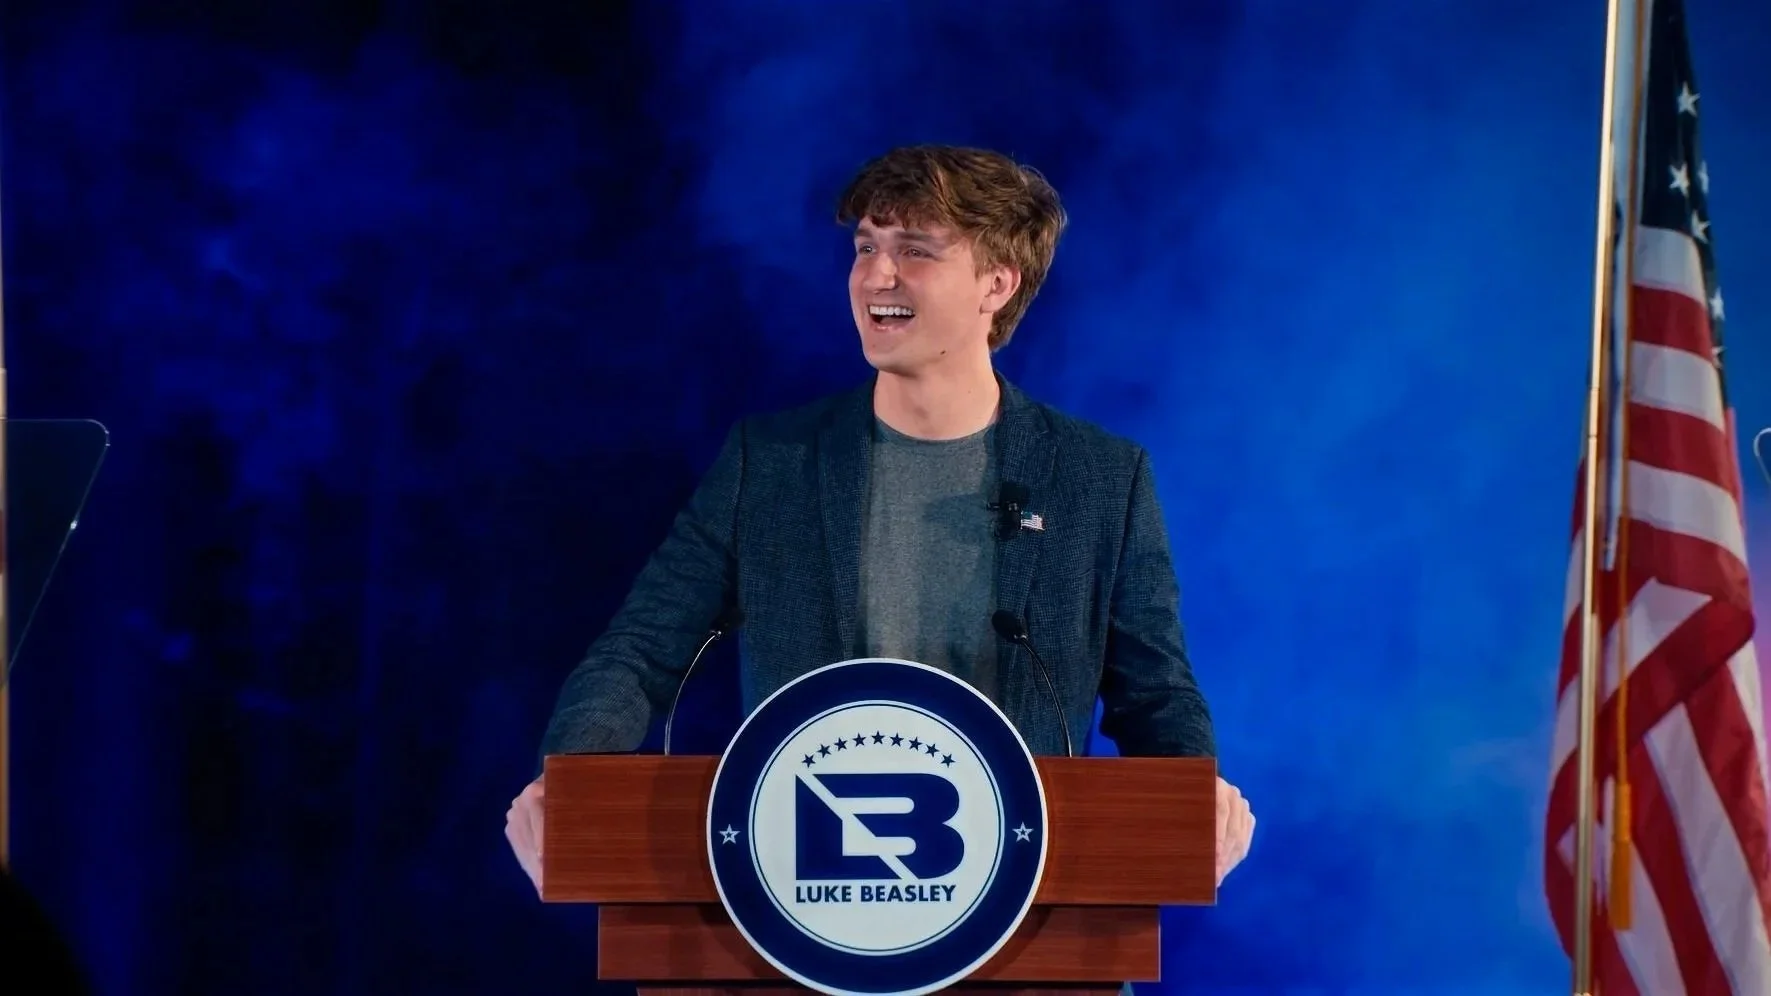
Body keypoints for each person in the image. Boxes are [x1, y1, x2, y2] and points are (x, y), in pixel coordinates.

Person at [505, 144, 1255, 891]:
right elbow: (639, 654)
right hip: (805, 894)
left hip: (1022, 902)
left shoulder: (1099, 479)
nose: (875, 275)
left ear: (996, 283)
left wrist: (1196, 800)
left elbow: (1155, 694)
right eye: (866, 247)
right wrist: (569, 780)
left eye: (915, 251)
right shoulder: (772, 463)